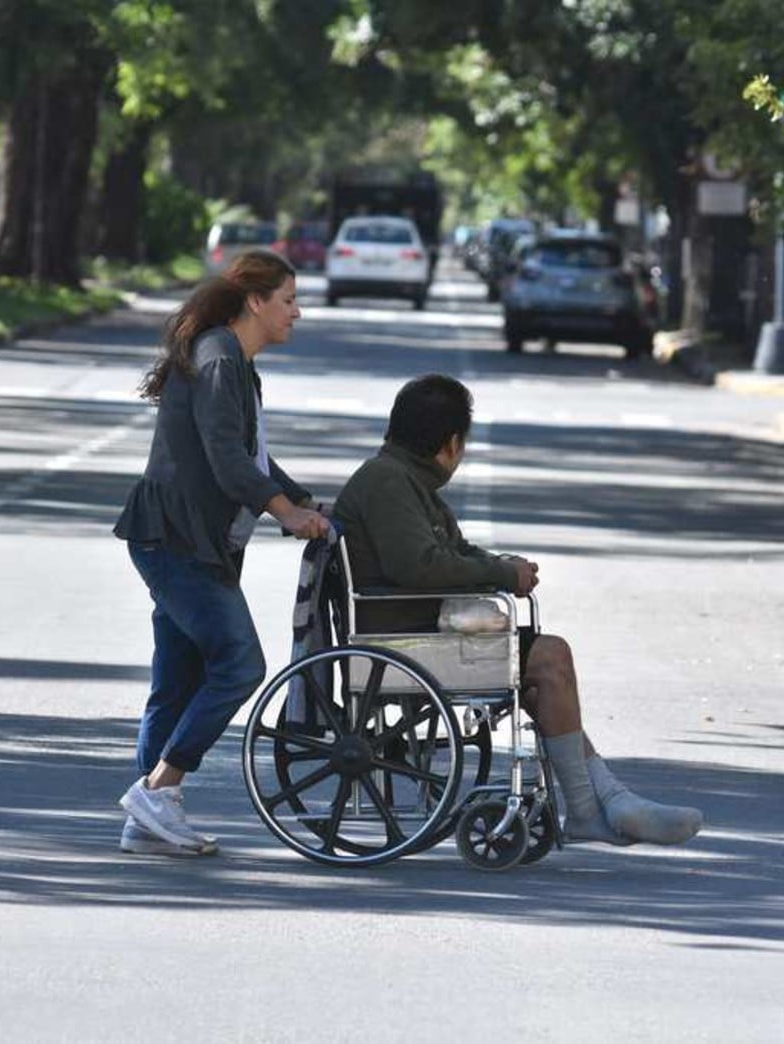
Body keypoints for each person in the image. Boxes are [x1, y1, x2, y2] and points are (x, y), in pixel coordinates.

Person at [332, 375, 702, 847]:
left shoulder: (401, 480)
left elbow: (454, 553)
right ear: (450, 443)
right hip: (405, 636)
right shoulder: (389, 483)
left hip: (416, 625)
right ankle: (594, 807)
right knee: (547, 658)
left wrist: (502, 567)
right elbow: (420, 565)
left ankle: (608, 799)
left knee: (548, 659)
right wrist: (505, 576)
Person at [113, 249, 329, 857]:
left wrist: (303, 500)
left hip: (188, 541)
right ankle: (160, 790)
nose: (297, 312)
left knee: (177, 682)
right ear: (255, 302)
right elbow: (225, 458)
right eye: (288, 300)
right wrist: (286, 513)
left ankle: (147, 818)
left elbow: (249, 454)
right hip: (175, 541)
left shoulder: (233, 359)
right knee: (239, 665)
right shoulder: (217, 357)